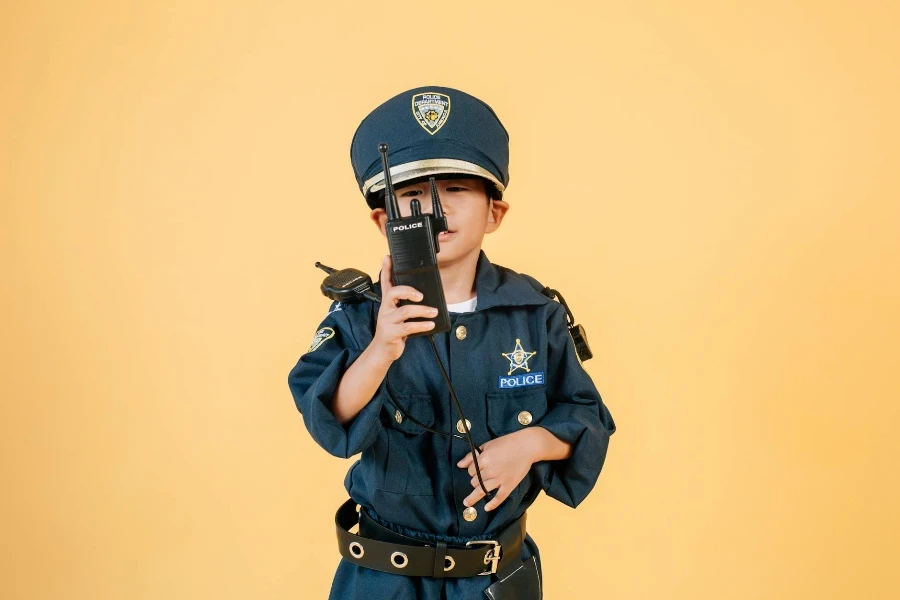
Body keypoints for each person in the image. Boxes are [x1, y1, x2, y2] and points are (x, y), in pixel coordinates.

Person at [288, 86, 616, 600]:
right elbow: (328, 418)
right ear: (383, 220)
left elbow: (588, 417)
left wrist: (529, 445)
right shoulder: (360, 317)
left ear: (494, 213)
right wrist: (381, 350)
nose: (436, 211)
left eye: (457, 189)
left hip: (495, 580)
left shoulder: (535, 314)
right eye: (414, 195)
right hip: (383, 582)